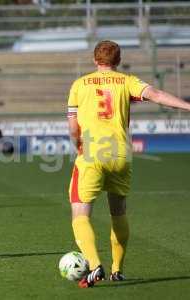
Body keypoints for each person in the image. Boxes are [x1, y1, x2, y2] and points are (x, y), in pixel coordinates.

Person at [67, 40, 190, 288]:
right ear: (118, 61)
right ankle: (117, 269)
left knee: (79, 213)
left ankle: (94, 265)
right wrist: (187, 105)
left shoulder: (79, 85)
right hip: (121, 154)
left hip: (92, 152)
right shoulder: (127, 81)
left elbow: (72, 128)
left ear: (95, 60)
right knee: (118, 211)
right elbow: (156, 95)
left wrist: (77, 143)